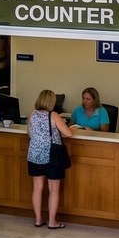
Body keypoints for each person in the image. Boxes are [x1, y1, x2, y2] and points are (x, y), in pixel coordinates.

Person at [27, 88, 76, 229]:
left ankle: (38, 220)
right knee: (53, 189)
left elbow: (29, 134)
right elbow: (68, 133)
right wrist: (73, 128)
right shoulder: (53, 115)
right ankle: (52, 222)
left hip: (34, 154)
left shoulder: (32, 115)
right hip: (51, 156)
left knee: (37, 188)